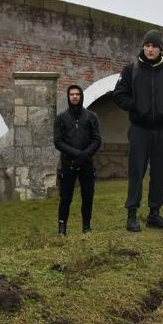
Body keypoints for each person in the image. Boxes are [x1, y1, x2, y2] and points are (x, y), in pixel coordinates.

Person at [113, 30, 163, 232]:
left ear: (160, 48)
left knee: (160, 172)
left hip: (162, 129)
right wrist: (135, 106)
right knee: (136, 172)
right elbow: (119, 94)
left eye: (154, 46)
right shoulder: (131, 70)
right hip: (139, 129)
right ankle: (132, 214)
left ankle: (155, 213)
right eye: (147, 45)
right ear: (143, 47)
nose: (150, 49)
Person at [53, 85, 101, 235]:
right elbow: (58, 142)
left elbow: (97, 139)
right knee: (65, 198)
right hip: (68, 164)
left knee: (87, 197)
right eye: (72, 94)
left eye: (77, 94)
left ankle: (86, 227)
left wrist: (85, 154)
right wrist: (76, 153)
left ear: (81, 96)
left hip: (87, 163)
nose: (74, 97)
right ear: (68, 97)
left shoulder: (91, 116)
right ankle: (62, 229)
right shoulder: (61, 118)